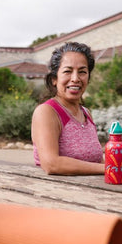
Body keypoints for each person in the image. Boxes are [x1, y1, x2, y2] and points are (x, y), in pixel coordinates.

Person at [31, 42, 104, 175]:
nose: (75, 79)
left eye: (82, 72)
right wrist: (110, 169)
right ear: (54, 79)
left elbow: (98, 161)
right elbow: (51, 164)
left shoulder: (86, 113)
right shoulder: (47, 112)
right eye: (67, 71)